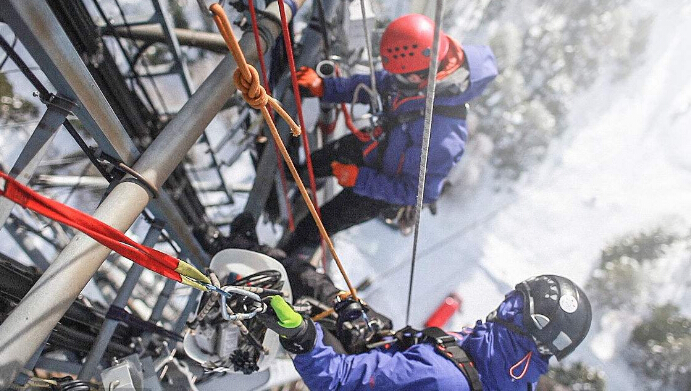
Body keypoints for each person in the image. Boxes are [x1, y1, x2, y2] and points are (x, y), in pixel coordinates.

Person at [282, 14, 498, 253]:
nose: (394, 80)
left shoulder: (442, 138)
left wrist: (359, 179)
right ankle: (302, 185)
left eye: (400, 77)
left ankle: (286, 258)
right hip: (376, 145)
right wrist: (325, 88)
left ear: (417, 77)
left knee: (315, 226)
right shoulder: (421, 70)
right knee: (312, 165)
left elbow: (416, 192)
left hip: (383, 190)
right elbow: (377, 86)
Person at [259, 274, 592, 391]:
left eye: (514, 307)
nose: (502, 306)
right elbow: (445, 350)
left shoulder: (441, 378)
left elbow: (338, 380)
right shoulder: (510, 376)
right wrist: (385, 334)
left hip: (348, 379)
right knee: (330, 302)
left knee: (306, 317)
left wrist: (303, 339)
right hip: (388, 369)